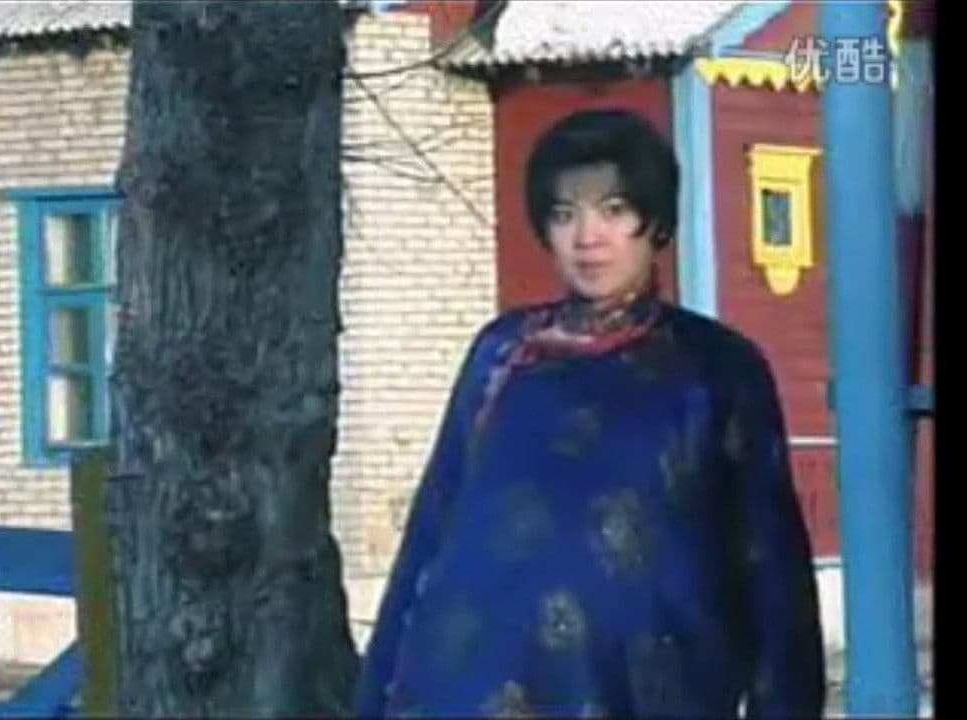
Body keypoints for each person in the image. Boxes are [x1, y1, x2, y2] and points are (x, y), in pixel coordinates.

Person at [352, 109, 825, 719]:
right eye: (563, 214)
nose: (587, 237)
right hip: (467, 691)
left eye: (613, 210)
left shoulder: (714, 368)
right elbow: (431, 530)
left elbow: (773, 574)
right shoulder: (503, 354)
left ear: (655, 222)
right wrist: (374, 699)